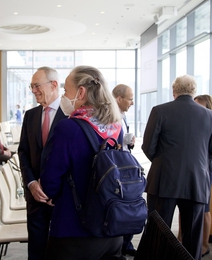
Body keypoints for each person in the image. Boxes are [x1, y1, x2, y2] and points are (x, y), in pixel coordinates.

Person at [40, 65, 123, 259]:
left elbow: (50, 182)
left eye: (66, 91)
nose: (64, 96)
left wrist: (52, 193)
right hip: (112, 226)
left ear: (81, 92)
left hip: (74, 229)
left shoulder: (68, 128)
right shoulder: (115, 126)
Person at [142, 75, 212, 260]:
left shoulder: (159, 111)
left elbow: (148, 146)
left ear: (174, 90)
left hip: (163, 180)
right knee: (192, 238)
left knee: (158, 233)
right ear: (194, 92)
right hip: (196, 182)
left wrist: (163, 162)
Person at [18, 66, 66, 260]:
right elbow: (23, 152)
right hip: (35, 197)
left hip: (61, 199)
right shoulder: (30, 116)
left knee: (61, 250)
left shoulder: (71, 114)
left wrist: (58, 189)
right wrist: (31, 183)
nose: (33, 90)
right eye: (31, 87)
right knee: (36, 249)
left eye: (37, 86)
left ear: (54, 85)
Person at [177, 94, 212, 257]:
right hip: (189, 169)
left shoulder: (211, 120)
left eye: (198, 105)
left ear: (207, 107)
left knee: (204, 208)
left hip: (204, 168)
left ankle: (204, 246)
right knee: (185, 206)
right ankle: (180, 241)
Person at [112, 84, 136, 257]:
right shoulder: (111, 117)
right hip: (118, 170)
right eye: (130, 99)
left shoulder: (123, 116)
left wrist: (129, 143)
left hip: (126, 165)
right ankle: (120, 247)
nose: (132, 103)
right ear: (119, 99)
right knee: (123, 208)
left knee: (130, 207)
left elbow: (122, 143)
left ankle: (126, 244)